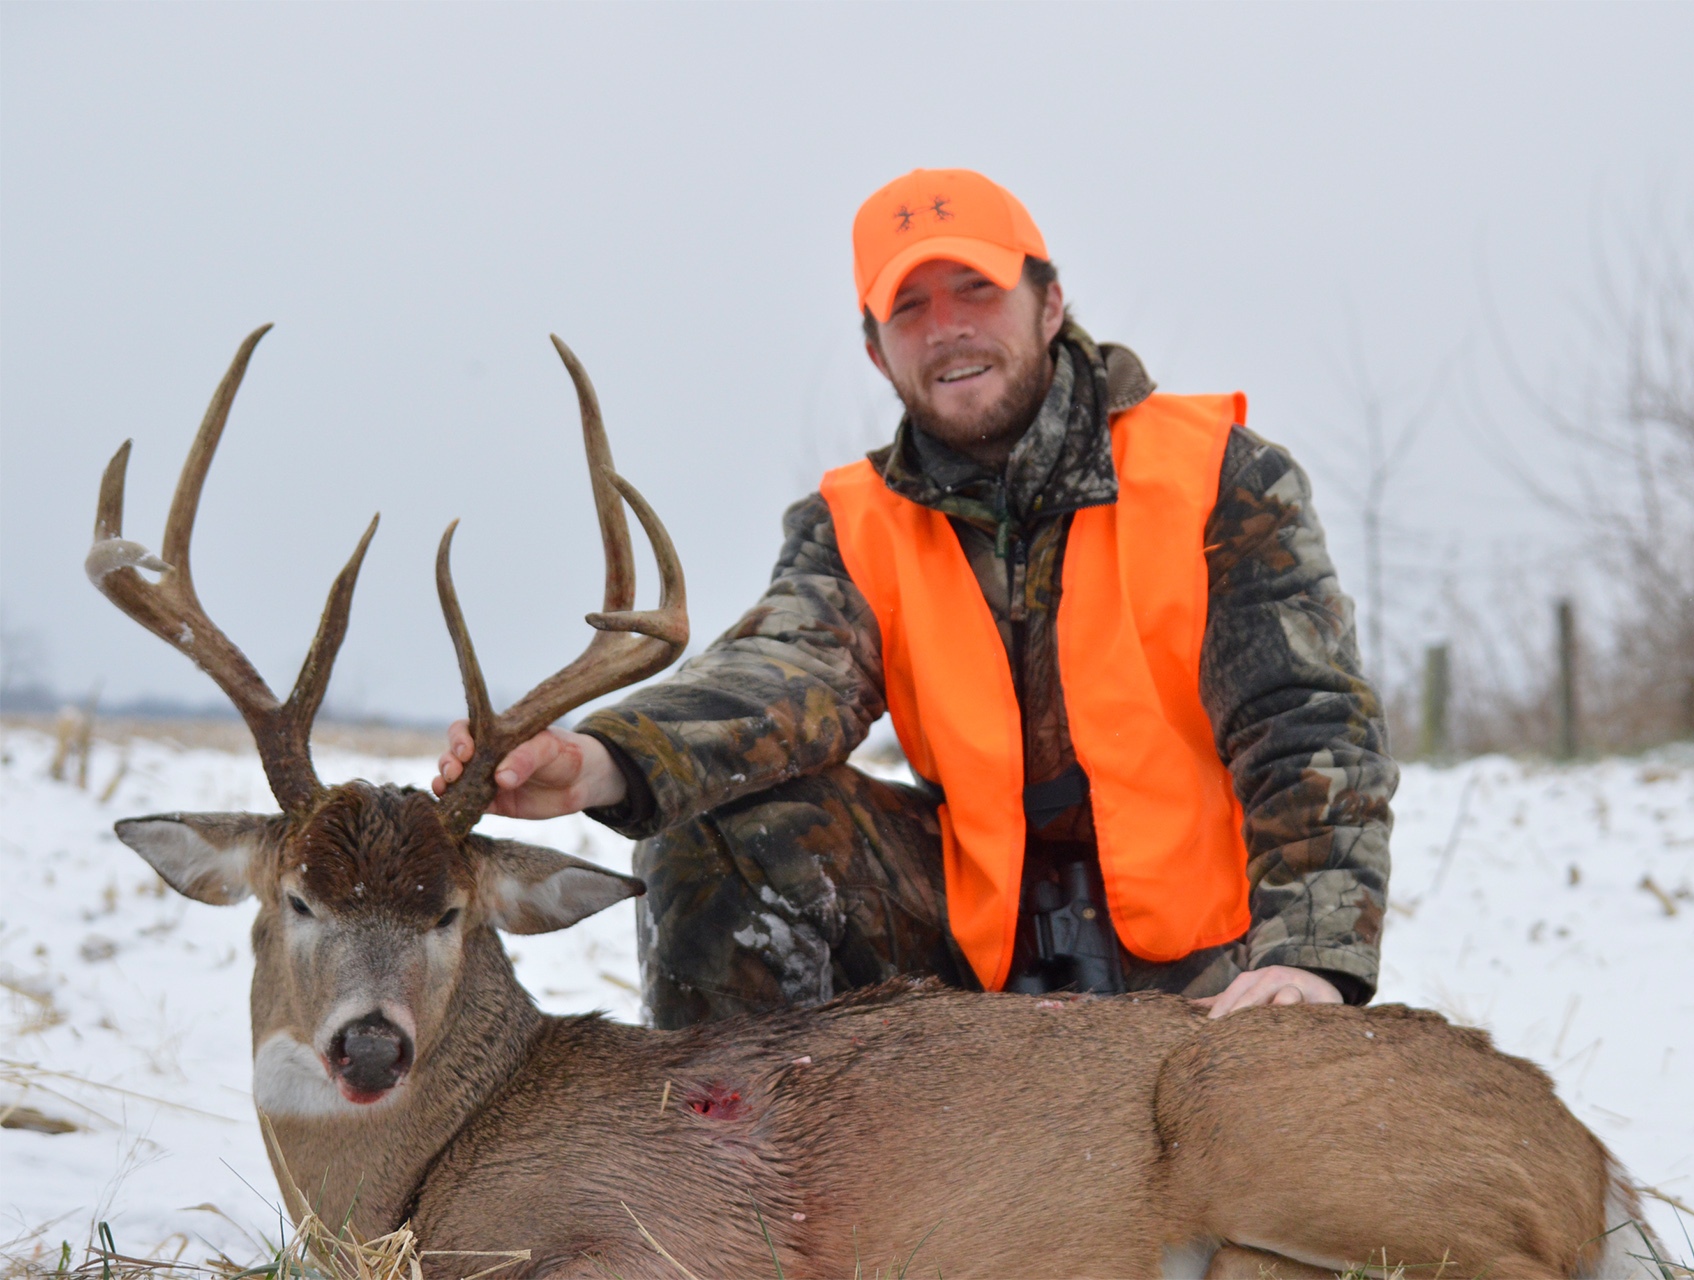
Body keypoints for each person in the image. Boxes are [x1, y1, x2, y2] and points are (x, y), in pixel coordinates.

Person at [435, 168, 1396, 1030]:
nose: (948, 329)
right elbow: (781, 675)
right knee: (723, 825)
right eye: (911, 308)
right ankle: (737, 1179)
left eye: (977, 289)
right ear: (877, 354)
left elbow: (1304, 722)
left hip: (1203, 971)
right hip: (970, 959)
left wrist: (1309, 959)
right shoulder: (855, 523)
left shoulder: (1220, 478)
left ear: (1050, 302)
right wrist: (606, 757)